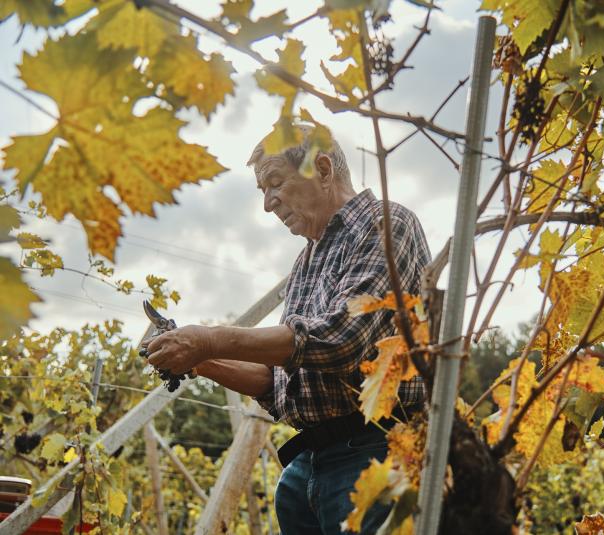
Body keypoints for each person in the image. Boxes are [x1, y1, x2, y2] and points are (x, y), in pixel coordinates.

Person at [143, 126, 431, 534]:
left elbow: (340, 342)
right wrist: (201, 361)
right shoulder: (305, 262)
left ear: (323, 168)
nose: (267, 204)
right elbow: (279, 384)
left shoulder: (386, 224)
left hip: (377, 455)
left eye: (275, 183)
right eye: (263, 189)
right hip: (307, 468)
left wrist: (208, 338)